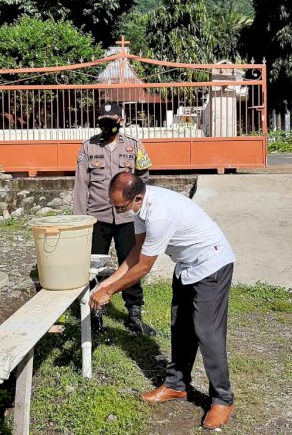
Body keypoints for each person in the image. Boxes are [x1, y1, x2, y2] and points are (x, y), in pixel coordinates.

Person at [90, 172, 236, 430]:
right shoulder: (140, 209)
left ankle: (222, 399)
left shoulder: (159, 213)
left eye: (121, 207)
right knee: (180, 325)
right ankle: (176, 385)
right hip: (187, 266)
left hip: (211, 265)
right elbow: (137, 252)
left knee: (207, 331)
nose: (120, 212)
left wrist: (110, 292)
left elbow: (144, 267)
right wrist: (108, 281)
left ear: (137, 197)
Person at [73, 102, 156, 336]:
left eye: (112, 120)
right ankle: (93, 314)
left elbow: (144, 177)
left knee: (130, 265)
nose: (107, 125)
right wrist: (80, 221)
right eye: (103, 121)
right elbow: (81, 186)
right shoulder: (88, 147)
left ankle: (134, 315)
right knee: (92, 268)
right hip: (97, 217)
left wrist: (141, 209)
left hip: (128, 218)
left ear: (121, 121)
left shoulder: (134, 146)